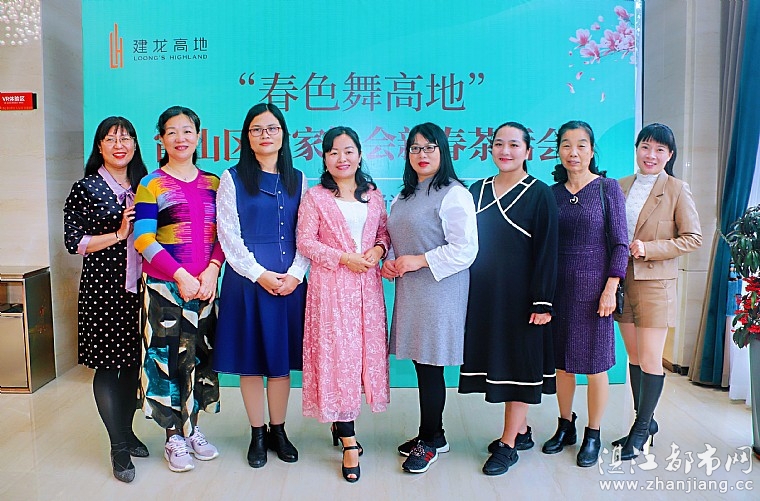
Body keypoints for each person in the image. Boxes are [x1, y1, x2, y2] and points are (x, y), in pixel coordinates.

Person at [459, 122, 558, 476]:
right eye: (499, 144)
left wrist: (542, 301)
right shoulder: (476, 190)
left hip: (523, 299)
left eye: (514, 145)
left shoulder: (540, 193)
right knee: (501, 364)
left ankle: (508, 444)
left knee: (519, 367)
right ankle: (522, 431)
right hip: (485, 297)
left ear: (528, 151)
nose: (505, 151)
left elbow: (548, 251)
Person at [214, 103, 307, 469]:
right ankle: (256, 433)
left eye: (272, 128)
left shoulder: (299, 179)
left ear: (283, 134)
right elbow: (228, 235)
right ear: (247, 137)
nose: (265, 135)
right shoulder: (232, 178)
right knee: (251, 362)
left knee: (281, 362)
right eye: (257, 129)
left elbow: (307, 234)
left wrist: (296, 274)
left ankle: (279, 430)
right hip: (247, 283)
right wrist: (259, 274)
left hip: (290, 283)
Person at [382, 122, 478, 474]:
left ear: (443, 151)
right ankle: (432, 433)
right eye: (415, 148)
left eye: (429, 147)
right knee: (421, 363)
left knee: (431, 362)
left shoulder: (454, 193)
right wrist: (390, 260)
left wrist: (418, 261)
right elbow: (397, 236)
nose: (422, 154)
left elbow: (465, 249)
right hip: (411, 287)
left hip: (441, 287)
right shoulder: (404, 195)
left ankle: (432, 438)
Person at [296, 126, 390, 482]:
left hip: (367, 289)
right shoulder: (316, 196)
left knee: (361, 358)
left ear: (360, 155)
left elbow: (383, 233)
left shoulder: (373, 195)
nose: (341, 158)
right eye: (333, 152)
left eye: (348, 151)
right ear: (324, 158)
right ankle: (349, 441)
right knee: (339, 360)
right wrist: (343, 258)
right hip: (331, 289)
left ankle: (341, 422)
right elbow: (305, 241)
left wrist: (378, 250)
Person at [134, 106, 224, 473]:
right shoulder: (151, 183)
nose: (180, 138)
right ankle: (173, 436)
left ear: (198, 136)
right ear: (161, 139)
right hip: (164, 288)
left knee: (199, 358)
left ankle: (193, 429)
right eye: (172, 132)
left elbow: (223, 236)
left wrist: (212, 271)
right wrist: (180, 275)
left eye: (187, 131)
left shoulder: (214, 183)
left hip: (204, 288)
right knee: (166, 361)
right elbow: (143, 238)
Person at [63, 116, 149, 483]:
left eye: (126, 138)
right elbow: (74, 242)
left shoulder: (146, 185)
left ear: (135, 145)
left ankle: (127, 431)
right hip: (103, 289)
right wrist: (118, 233)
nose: (119, 145)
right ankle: (117, 446)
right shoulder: (86, 188)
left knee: (131, 364)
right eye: (111, 139)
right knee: (107, 365)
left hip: (142, 288)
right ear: (99, 146)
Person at [613, 123, 702, 459]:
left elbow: (692, 238)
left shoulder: (677, 189)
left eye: (659, 150)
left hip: (655, 284)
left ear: (670, 155)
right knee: (634, 357)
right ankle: (645, 422)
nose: (651, 155)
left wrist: (650, 249)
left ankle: (640, 428)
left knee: (651, 358)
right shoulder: (620, 185)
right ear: (636, 149)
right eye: (645, 147)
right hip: (622, 281)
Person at [543, 120, 628, 467]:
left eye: (581, 145)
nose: (573, 152)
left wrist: (611, 287)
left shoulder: (607, 188)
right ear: (558, 151)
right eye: (566, 145)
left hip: (595, 293)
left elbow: (620, 243)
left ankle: (593, 433)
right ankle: (566, 425)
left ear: (592, 151)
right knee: (562, 366)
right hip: (558, 290)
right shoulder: (551, 194)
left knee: (594, 367)